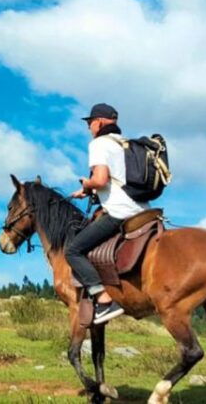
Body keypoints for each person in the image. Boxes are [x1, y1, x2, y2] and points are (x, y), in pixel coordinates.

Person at [68, 103, 150, 324]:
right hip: (143, 210)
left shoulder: (99, 143)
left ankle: (104, 299)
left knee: (73, 250)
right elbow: (118, 179)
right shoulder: (126, 144)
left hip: (119, 211)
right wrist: (87, 191)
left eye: (89, 123)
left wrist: (88, 182)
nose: (88, 128)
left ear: (99, 122)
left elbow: (101, 179)